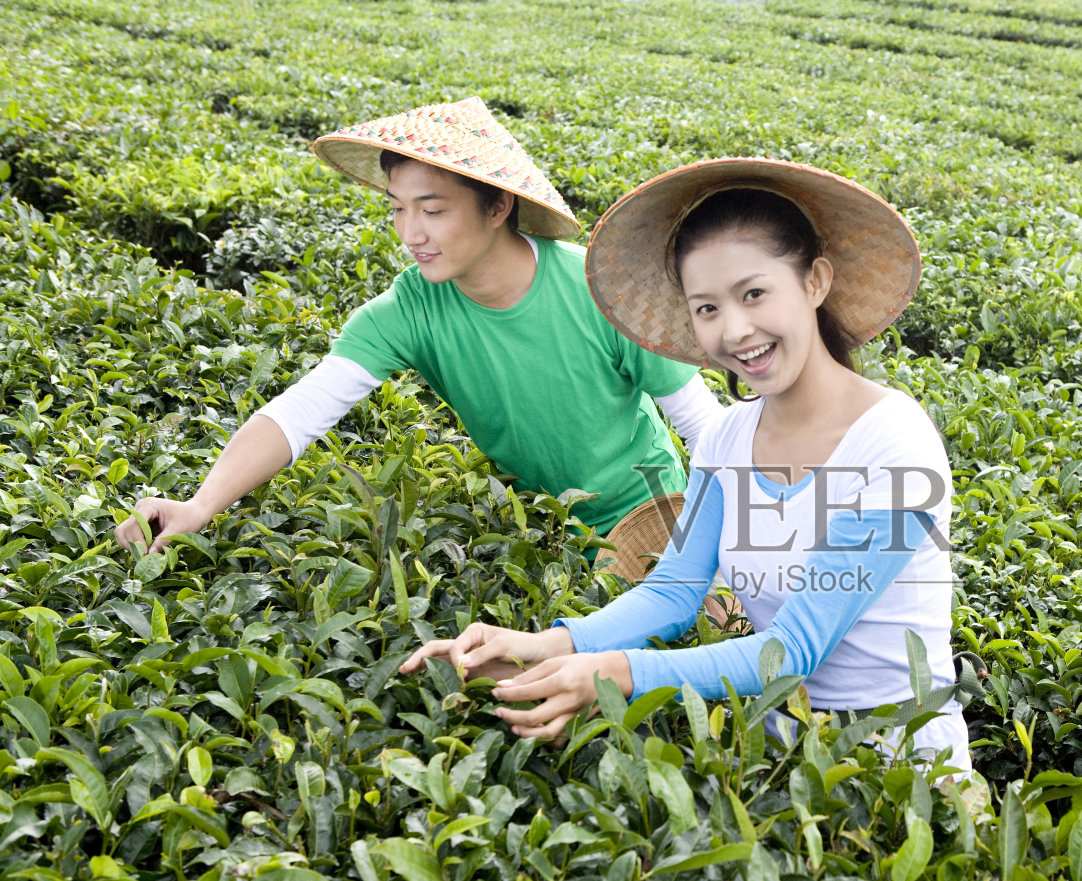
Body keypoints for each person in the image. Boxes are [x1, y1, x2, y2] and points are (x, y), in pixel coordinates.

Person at [400, 158, 971, 773]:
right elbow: (674, 591)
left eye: (754, 294)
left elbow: (795, 649)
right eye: (706, 308)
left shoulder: (892, 444)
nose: (735, 330)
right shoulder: (727, 438)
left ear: (814, 282)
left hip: (906, 776)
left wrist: (616, 671)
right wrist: (542, 647)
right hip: (782, 764)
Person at [113, 97, 722, 553]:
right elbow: (300, 412)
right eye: (399, 209)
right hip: (540, 526)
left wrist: (729, 540)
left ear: (497, 206)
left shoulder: (596, 291)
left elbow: (703, 425)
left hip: (651, 515)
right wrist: (199, 505)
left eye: (432, 210)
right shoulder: (410, 310)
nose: (411, 234)